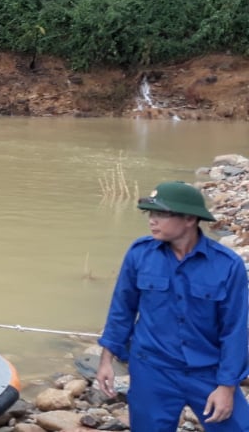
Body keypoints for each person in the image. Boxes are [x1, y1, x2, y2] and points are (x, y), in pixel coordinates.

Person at [97, 181, 249, 430]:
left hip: (207, 370)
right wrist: (106, 361)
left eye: (161, 214)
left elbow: (235, 330)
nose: (152, 221)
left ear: (189, 219)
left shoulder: (227, 265)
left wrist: (226, 386)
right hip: (152, 370)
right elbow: (122, 310)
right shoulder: (139, 254)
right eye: (150, 214)